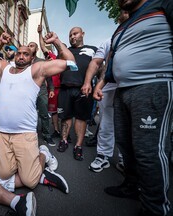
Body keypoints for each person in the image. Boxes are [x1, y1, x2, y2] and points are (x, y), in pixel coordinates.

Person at [93, 0, 173, 215]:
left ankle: (155, 208)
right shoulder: (121, 27)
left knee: (149, 151)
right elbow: (111, 63)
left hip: (153, 85)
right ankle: (131, 186)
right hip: (122, 90)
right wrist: (100, 84)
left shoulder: (163, 4)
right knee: (126, 145)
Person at [0, 31, 77, 189]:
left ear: (32, 58)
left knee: (30, 181)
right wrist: (0, 42)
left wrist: (56, 41)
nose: (21, 56)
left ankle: (43, 153)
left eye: (26, 54)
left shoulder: (37, 70)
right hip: (2, 134)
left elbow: (71, 62)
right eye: (19, 53)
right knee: (3, 174)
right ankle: (23, 161)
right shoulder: (4, 69)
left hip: (25, 134)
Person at [81, 10, 129, 173]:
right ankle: (103, 156)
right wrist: (89, 82)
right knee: (107, 124)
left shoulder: (146, 34)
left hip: (134, 85)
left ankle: (125, 159)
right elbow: (96, 62)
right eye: (123, 12)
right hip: (108, 87)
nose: (126, 13)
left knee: (130, 126)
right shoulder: (109, 41)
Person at [57, 27, 97, 161]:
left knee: (81, 117)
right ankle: (64, 140)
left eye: (75, 33)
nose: (72, 37)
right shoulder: (65, 51)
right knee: (65, 116)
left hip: (84, 89)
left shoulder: (92, 49)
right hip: (65, 88)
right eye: (70, 35)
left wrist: (98, 86)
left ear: (82, 34)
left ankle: (78, 146)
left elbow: (100, 67)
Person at [37, 24, 62, 140]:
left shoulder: (68, 60)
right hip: (53, 89)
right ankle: (56, 130)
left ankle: (64, 134)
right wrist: (40, 33)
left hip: (64, 89)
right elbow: (43, 47)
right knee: (53, 111)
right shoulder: (52, 57)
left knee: (64, 112)